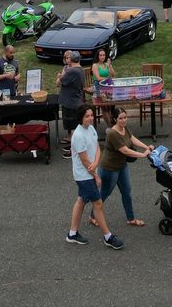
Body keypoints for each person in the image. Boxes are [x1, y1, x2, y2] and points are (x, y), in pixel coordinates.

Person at [66, 105, 124, 250]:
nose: (91, 118)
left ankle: (72, 234)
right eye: (87, 116)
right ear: (81, 118)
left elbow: (98, 147)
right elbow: (85, 161)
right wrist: (96, 176)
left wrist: (96, 162)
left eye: (91, 115)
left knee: (81, 200)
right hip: (84, 176)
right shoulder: (78, 135)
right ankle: (108, 237)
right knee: (97, 204)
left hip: (89, 172)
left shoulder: (91, 129)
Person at [96, 106, 154, 229]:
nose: (123, 120)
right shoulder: (112, 133)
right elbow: (125, 151)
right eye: (120, 118)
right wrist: (143, 155)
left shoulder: (124, 128)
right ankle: (93, 216)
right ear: (115, 119)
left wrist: (146, 147)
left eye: (125, 117)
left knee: (127, 192)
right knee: (104, 194)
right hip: (109, 169)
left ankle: (131, 218)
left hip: (122, 166)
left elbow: (132, 139)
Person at [57, 51, 85, 158]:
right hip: (76, 101)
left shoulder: (72, 71)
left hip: (70, 103)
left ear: (71, 60)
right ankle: (73, 147)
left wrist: (60, 75)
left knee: (73, 128)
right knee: (75, 127)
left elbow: (60, 81)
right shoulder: (80, 69)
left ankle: (73, 152)